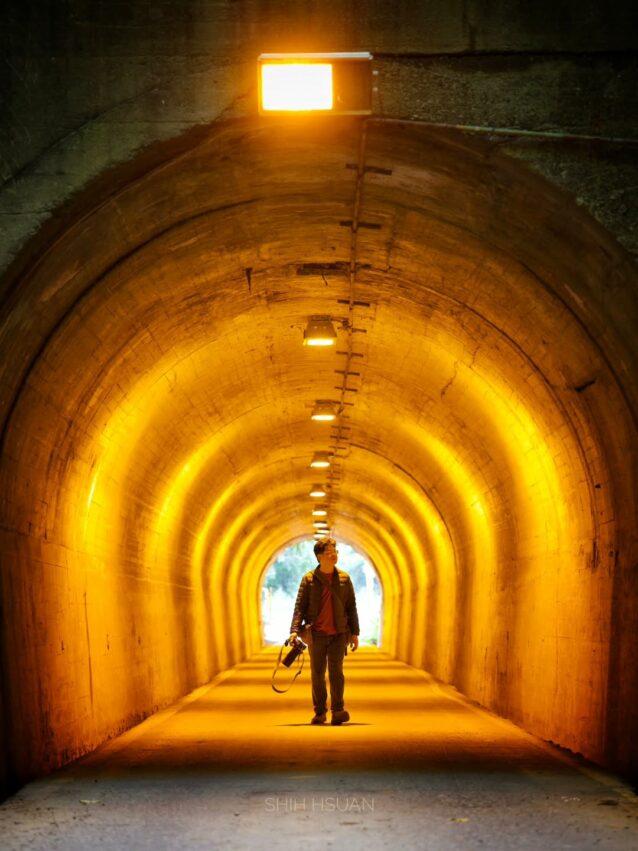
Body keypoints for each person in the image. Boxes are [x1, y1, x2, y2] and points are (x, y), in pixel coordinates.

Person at [289, 537, 359, 725]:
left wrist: (354, 633)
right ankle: (320, 712)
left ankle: (338, 710)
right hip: (317, 635)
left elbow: (351, 607)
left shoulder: (344, 578)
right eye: (329, 552)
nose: (333, 554)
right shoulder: (309, 579)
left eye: (335, 551)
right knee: (317, 674)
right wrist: (294, 631)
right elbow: (299, 607)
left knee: (336, 672)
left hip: (338, 634)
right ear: (319, 557)